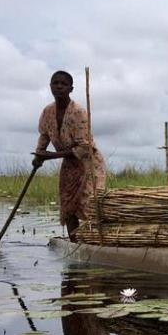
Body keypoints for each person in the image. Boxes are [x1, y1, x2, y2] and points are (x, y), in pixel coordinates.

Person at [32, 70, 107, 240]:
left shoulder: (79, 112)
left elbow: (84, 147)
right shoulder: (47, 112)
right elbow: (44, 135)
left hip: (88, 164)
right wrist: (38, 156)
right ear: (50, 86)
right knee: (68, 204)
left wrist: (51, 156)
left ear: (70, 89)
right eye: (55, 83)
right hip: (70, 164)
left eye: (63, 84)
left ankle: (95, 241)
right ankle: (74, 241)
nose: (59, 87)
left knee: (90, 203)